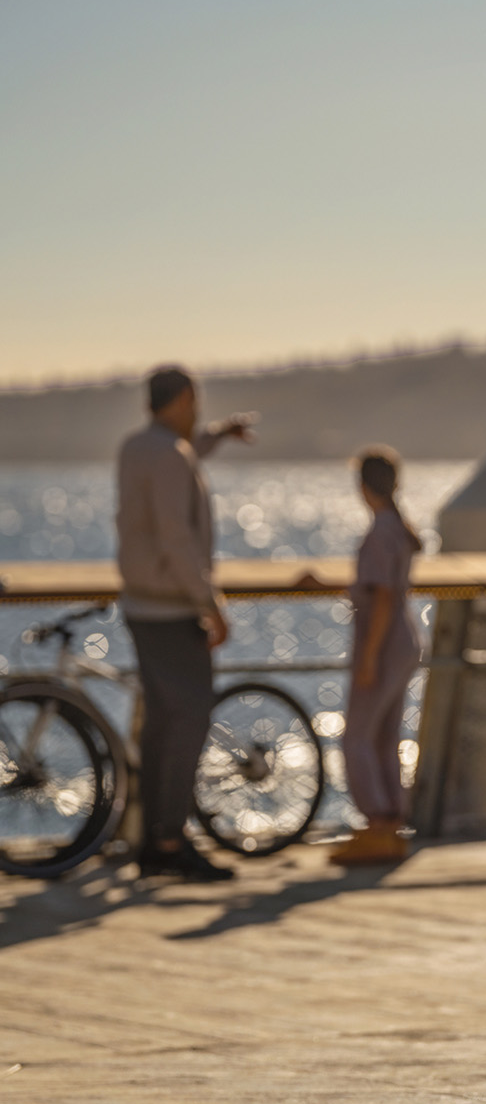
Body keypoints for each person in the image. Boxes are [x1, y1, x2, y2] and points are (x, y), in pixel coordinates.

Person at [116, 365, 255, 881]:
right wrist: (210, 604)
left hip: (139, 605)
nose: (197, 411)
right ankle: (171, 842)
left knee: (158, 727)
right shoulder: (172, 457)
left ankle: (153, 840)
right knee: (188, 722)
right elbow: (177, 538)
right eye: (195, 403)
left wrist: (219, 433)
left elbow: (184, 449)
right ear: (179, 401)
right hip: (172, 610)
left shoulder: (137, 448)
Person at [330, 447, 423, 865]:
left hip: (383, 642)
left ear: (364, 488)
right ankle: (390, 822)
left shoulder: (382, 532)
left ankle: (376, 820)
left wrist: (367, 656)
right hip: (402, 639)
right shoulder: (397, 528)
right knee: (385, 736)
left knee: (358, 737)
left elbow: (382, 597)